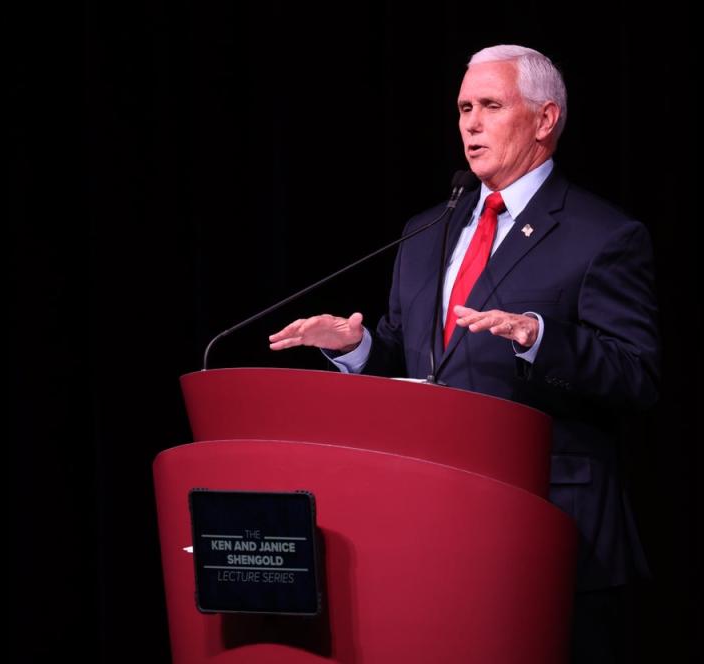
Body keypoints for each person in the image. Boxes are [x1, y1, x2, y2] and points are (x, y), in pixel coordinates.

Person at [269, 44, 660, 662]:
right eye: (463, 108)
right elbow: (415, 364)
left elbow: (636, 376)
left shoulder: (603, 235)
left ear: (545, 119)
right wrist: (360, 346)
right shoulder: (428, 230)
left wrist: (538, 336)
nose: (471, 124)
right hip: (434, 524)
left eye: (491, 106)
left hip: (552, 525)